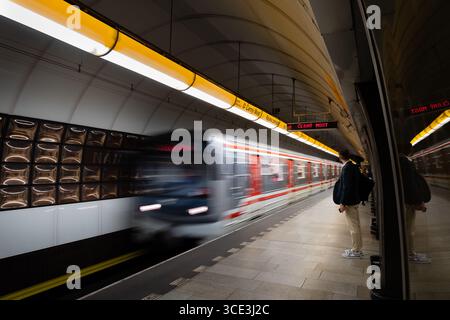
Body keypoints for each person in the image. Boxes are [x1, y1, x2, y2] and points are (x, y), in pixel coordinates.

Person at [399, 143, 432, 264]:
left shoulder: (401, 162)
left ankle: (409, 252)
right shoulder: (406, 163)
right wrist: (418, 201)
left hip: (405, 200)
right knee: (409, 228)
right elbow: (410, 184)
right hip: (408, 202)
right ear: (409, 150)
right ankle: (410, 254)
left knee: (408, 227)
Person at [334, 149, 364, 258]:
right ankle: (358, 248)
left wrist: (343, 202)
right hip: (355, 200)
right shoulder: (354, 166)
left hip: (350, 202)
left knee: (353, 227)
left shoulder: (346, 168)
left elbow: (346, 187)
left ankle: (356, 251)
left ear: (340, 156)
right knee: (357, 225)